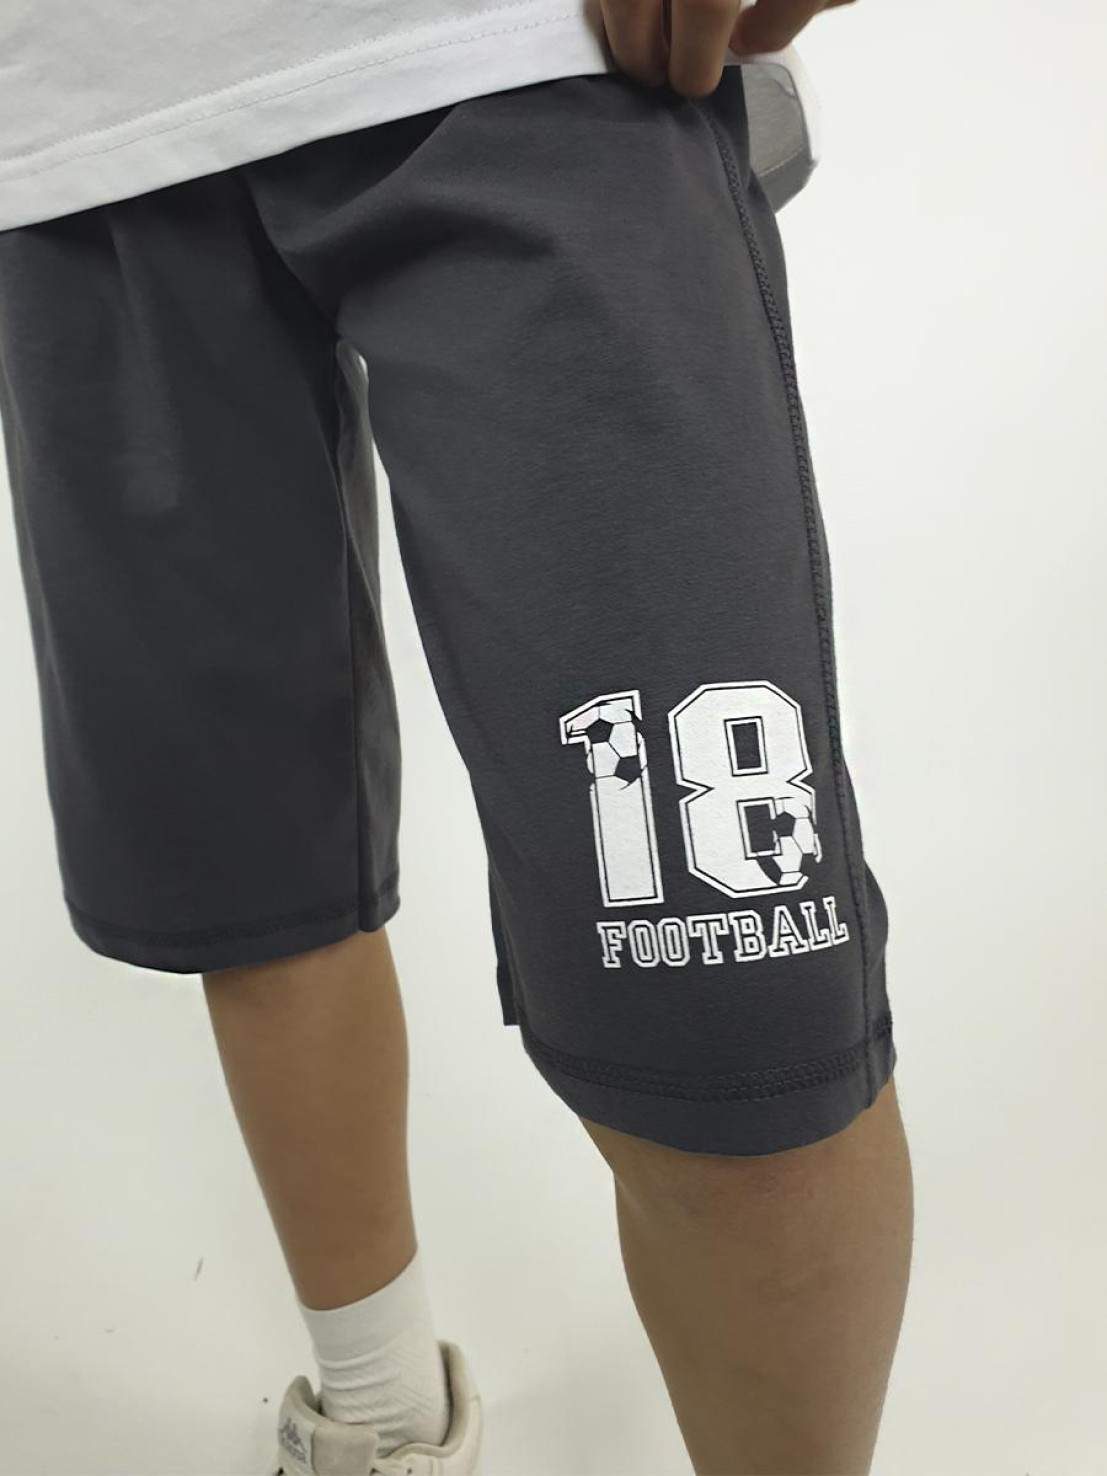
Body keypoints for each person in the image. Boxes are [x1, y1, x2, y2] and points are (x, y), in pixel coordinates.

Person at [0, 0, 914, 1471]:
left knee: (729, 998)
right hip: (74, 142)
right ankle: (378, 1419)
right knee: (252, 877)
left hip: (518, 60)